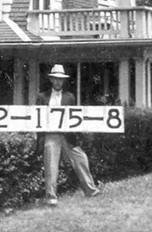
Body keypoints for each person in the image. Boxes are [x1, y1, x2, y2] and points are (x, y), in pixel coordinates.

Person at [35, 64, 100, 206]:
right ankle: (51, 197)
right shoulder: (42, 97)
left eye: (61, 79)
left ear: (63, 81)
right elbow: (37, 119)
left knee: (81, 158)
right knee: (51, 165)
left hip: (67, 135)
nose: (58, 82)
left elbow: (74, 117)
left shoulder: (69, 97)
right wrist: (40, 139)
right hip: (50, 134)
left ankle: (90, 190)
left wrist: (77, 134)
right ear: (51, 80)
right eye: (55, 79)